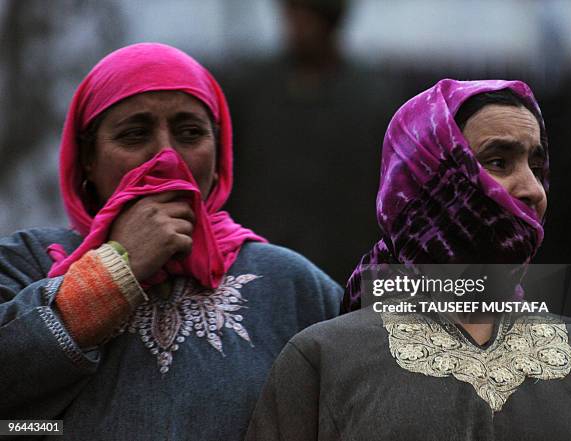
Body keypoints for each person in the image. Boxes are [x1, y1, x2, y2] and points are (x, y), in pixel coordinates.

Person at [0, 43, 342, 440]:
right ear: (87, 159)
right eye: (134, 134)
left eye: (190, 133)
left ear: (219, 157)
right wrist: (113, 270)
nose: (166, 157)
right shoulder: (26, 264)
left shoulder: (291, 286)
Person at [245, 79, 571, 441]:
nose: (532, 189)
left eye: (536, 165)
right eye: (499, 161)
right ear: (428, 179)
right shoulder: (323, 359)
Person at [221, 0, 403, 285]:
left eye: (304, 17)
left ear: (329, 23)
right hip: (262, 259)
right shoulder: (251, 89)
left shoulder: (372, 97)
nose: (294, 27)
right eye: (290, 14)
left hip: (343, 263)